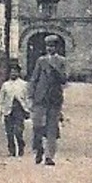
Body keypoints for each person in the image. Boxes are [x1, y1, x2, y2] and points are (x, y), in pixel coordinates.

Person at [29, 36, 69, 166]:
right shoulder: (41, 61)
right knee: (37, 127)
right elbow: (34, 79)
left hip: (54, 99)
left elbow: (64, 78)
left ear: (57, 47)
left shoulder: (62, 61)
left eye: (52, 46)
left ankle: (49, 156)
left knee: (52, 128)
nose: (49, 48)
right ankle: (39, 149)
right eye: (48, 46)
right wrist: (31, 96)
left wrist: (54, 70)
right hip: (40, 99)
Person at [0, 60, 31, 157]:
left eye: (15, 71)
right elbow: (1, 98)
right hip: (8, 110)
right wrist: (0, 110)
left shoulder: (24, 84)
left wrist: (28, 109)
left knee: (18, 131)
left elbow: (28, 97)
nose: (13, 73)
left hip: (19, 110)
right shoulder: (5, 85)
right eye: (11, 72)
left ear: (19, 73)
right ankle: (11, 149)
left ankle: (21, 144)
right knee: (9, 131)